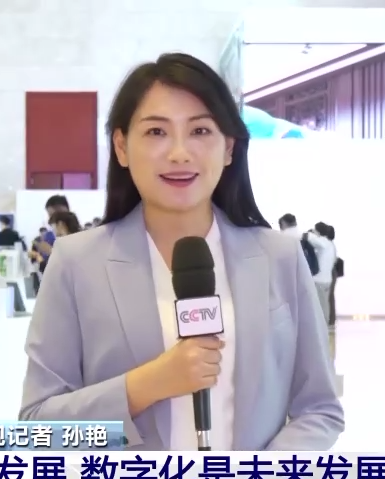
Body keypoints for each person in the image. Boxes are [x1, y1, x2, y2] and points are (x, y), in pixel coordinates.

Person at [19, 52, 344, 451]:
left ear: (228, 147)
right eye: (156, 132)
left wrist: (260, 476)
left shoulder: (281, 258)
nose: (179, 153)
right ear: (121, 146)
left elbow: (320, 410)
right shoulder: (76, 263)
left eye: (200, 131)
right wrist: (147, 384)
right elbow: (38, 427)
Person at [304, 222, 337, 327]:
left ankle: (322, 326)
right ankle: (324, 325)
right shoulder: (330, 244)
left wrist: (311, 233)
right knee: (325, 303)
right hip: (327, 280)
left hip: (320, 280)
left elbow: (308, 237)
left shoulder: (322, 242)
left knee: (321, 305)